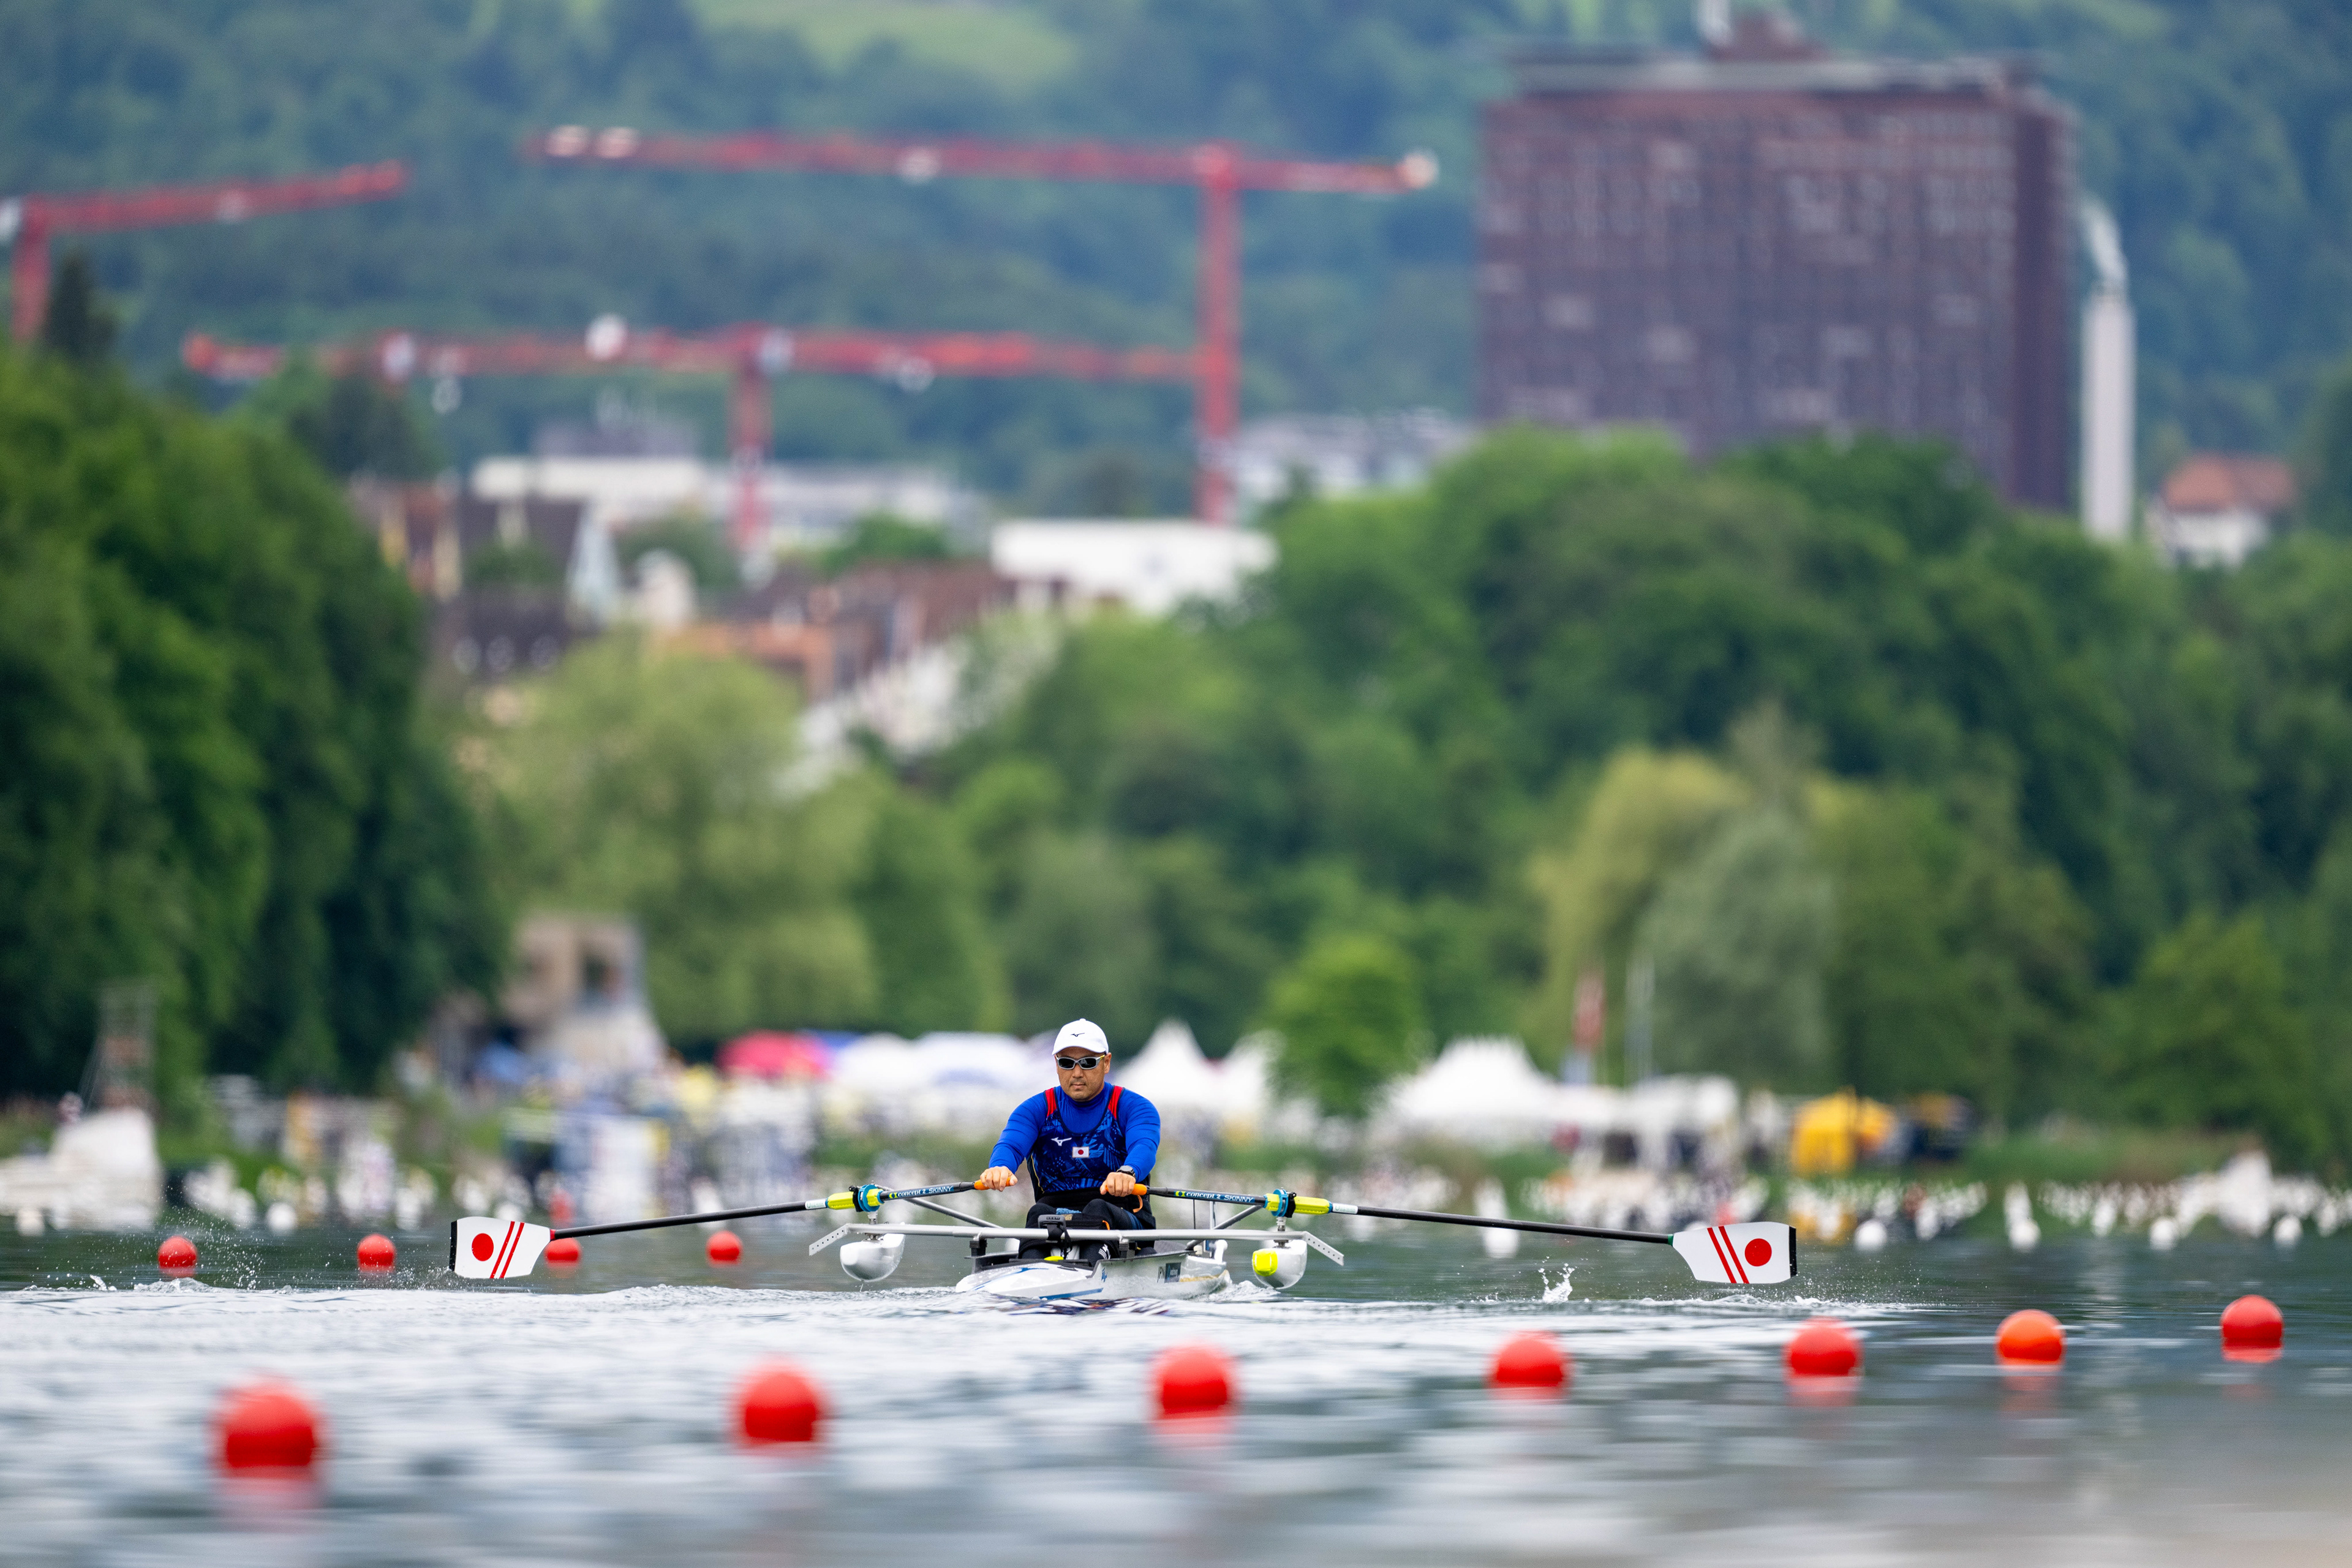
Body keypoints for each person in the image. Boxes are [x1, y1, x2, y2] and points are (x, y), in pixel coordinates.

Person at [976, 1019, 1159, 1259]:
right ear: (1056, 1064)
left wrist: (1128, 1171)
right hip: (1053, 1218)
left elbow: (1144, 1146)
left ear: (1106, 1063)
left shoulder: (1134, 1107)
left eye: (1088, 1062)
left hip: (1124, 1215)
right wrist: (999, 1168)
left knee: (1098, 1208)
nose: (1077, 1073)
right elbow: (1010, 1145)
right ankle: (1032, 1271)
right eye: (1067, 1063)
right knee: (1037, 1213)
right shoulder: (1035, 1110)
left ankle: (1091, 1268)